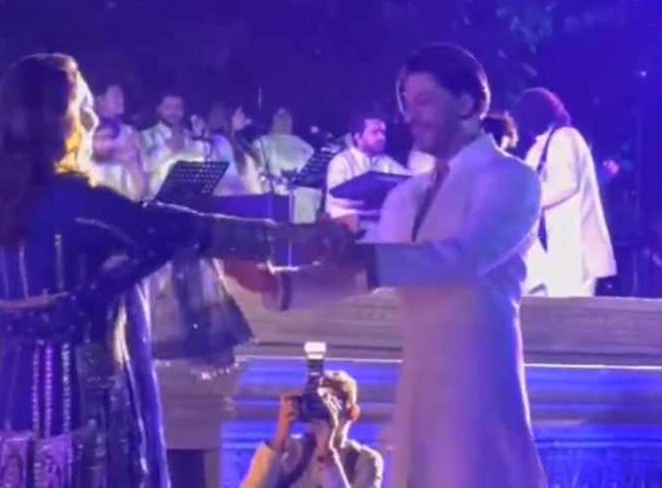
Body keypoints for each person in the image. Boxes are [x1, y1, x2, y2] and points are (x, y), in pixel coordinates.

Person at [0, 53, 350, 488]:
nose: (93, 120)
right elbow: (188, 230)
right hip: (78, 429)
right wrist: (299, 238)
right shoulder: (78, 204)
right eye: (84, 107)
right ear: (57, 120)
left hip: (5, 424)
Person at [226, 44, 548, 488]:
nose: (410, 115)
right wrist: (273, 283)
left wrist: (358, 255)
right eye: (406, 103)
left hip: (482, 386)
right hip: (419, 387)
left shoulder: (512, 179)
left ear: (467, 103)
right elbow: (362, 274)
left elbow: (461, 259)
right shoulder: (408, 194)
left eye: (424, 100)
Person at [513, 87, 615, 296]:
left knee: (569, 307)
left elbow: (565, 185)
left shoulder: (565, 137)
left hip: (573, 245)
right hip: (553, 246)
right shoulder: (539, 147)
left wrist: (525, 203)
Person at [240, 370, 383, 488]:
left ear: (352, 413)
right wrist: (281, 435)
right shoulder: (289, 450)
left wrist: (327, 451)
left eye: (331, 402)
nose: (321, 409)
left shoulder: (365, 460)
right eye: (316, 403)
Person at [324, 109, 411, 219]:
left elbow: (411, 181)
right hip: (344, 221)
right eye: (374, 132)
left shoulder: (386, 162)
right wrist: (369, 202)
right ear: (358, 136)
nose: (381, 137)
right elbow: (336, 197)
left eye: (383, 133)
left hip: (378, 220)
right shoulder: (341, 161)